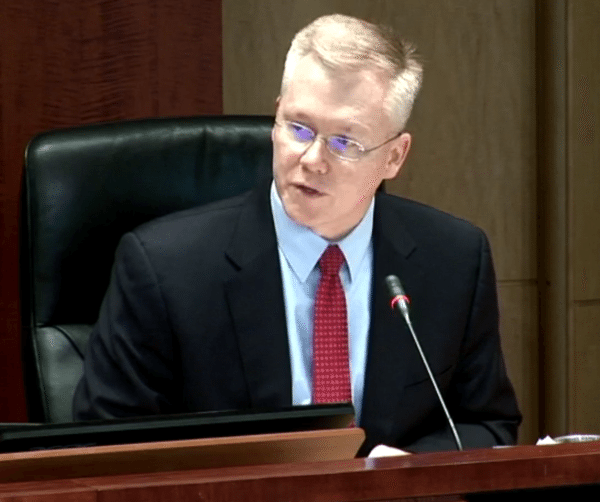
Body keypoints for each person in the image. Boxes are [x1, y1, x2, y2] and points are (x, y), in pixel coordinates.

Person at [73, 14, 521, 454]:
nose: (312, 160)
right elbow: (106, 447)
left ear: (394, 157)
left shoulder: (454, 259)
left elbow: (486, 425)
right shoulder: (165, 268)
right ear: (276, 119)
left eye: (345, 142)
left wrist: (408, 473)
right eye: (299, 128)